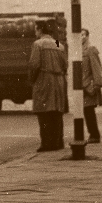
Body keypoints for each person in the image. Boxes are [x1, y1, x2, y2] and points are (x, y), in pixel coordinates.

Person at [29, 20, 67, 152]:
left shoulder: (38, 44)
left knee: (43, 112)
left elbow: (34, 65)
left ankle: (46, 144)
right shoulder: (58, 44)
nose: (35, 32)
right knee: (56, 112)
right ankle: (58, 142)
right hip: (59, 81)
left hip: (44, 80)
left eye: (35, 29)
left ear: (40, 30)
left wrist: (33, 80)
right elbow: (65, 64)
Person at [82, 28, 102, 143]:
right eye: (79, 35)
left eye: (83, 35)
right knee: (86, 111)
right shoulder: (78, 51)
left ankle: (94, 135)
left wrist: (96, 85)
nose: (81, 37)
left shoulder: (91, 50)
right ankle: (93, 134)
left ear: (87, 36)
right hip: (82, 86)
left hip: (89, 86)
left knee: (89, 110)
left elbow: (97, 69)